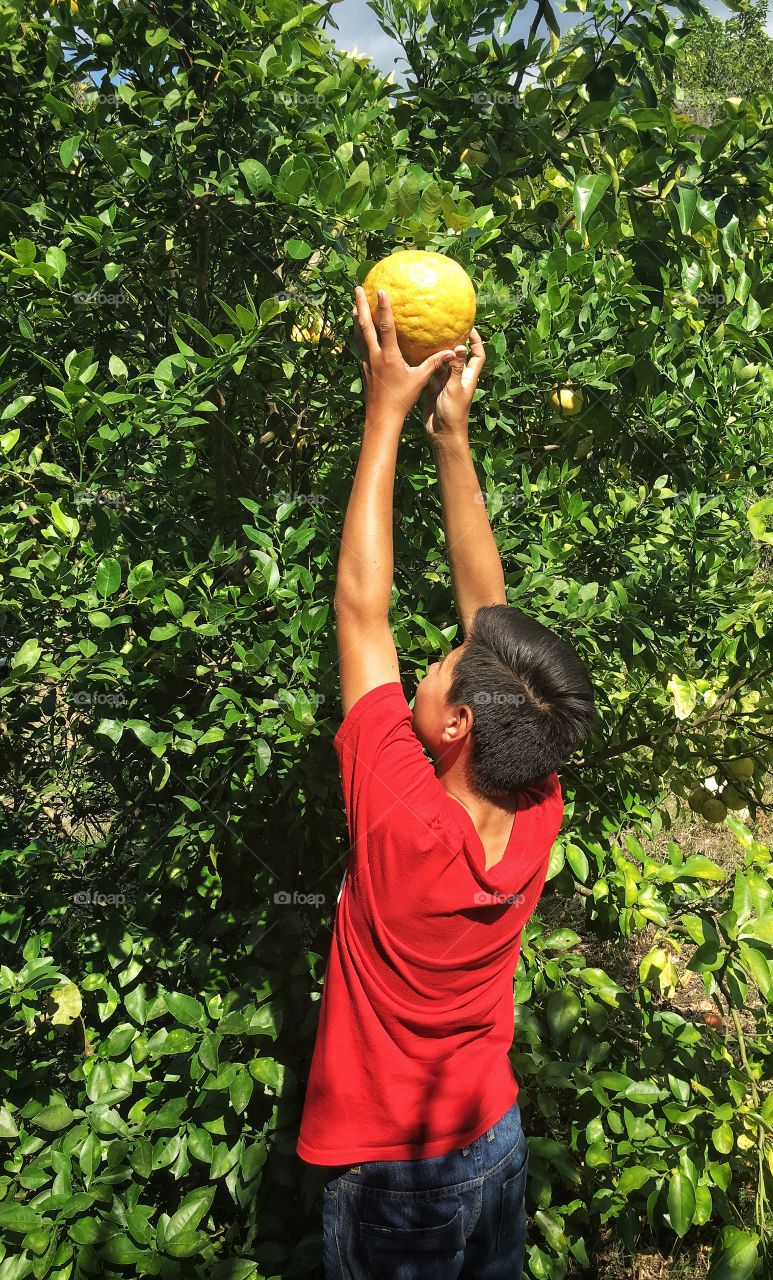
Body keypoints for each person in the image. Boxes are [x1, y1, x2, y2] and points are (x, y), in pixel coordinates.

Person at [296, 283, 597, 1279]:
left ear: (459, 722)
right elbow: (491, 622)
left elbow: (358, 610)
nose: (433, 654)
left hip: (395, 1180)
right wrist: (450, 437)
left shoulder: (401, 815)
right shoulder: (537, 789)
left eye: (439, 666)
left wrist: (383, 414)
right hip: (492, 1140)